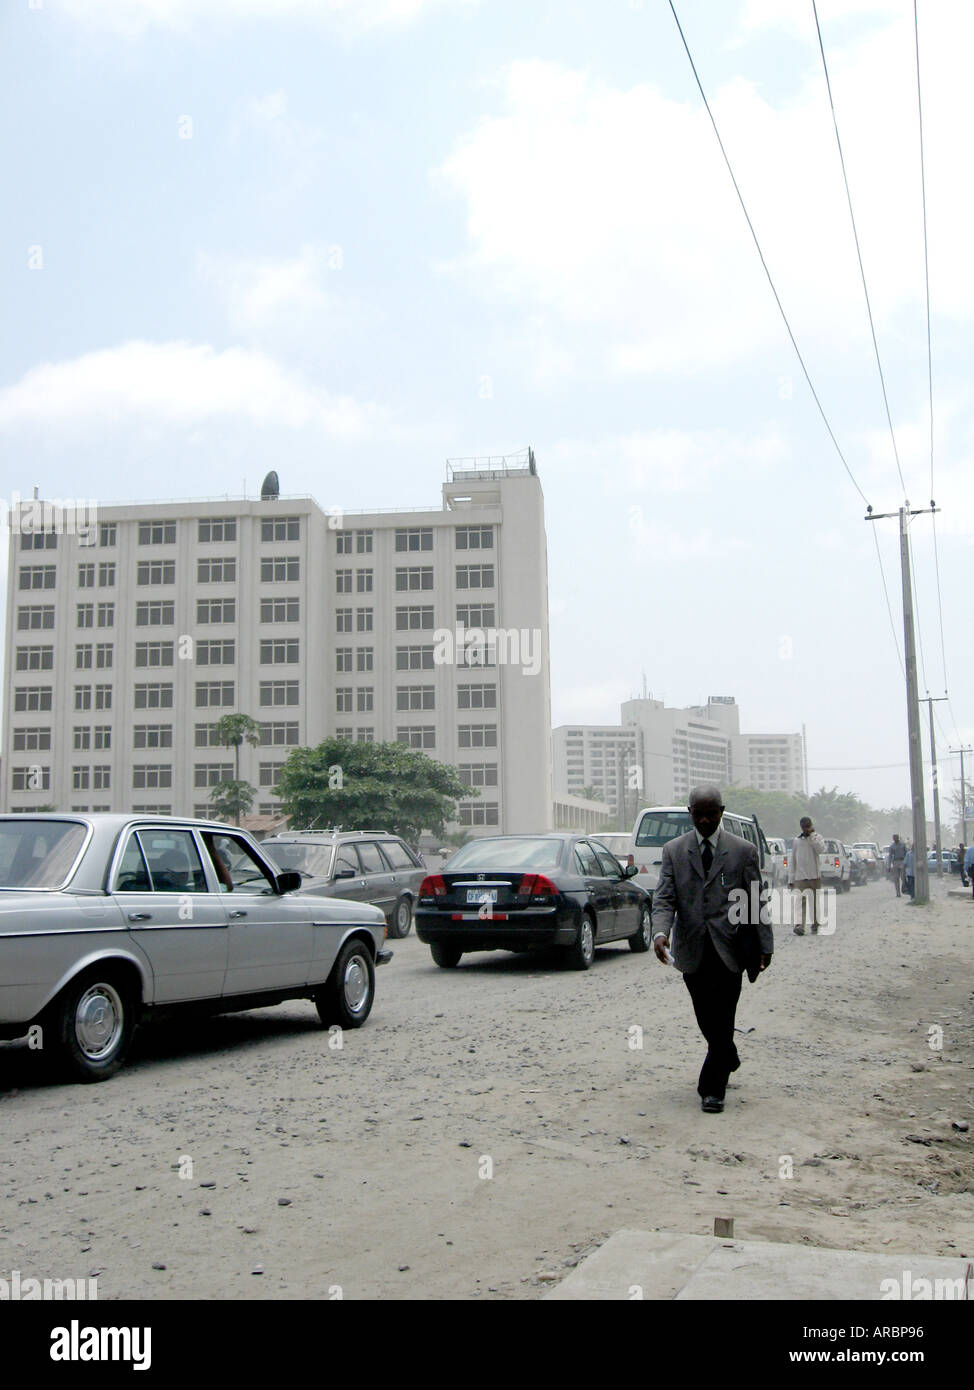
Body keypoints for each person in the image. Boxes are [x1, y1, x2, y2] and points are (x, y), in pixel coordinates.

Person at [651, 784, 773, 1115]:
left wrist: (765, 944)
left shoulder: (743, 851)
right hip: (692, 948)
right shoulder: (674, 850)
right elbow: (664, 897)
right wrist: (660, 932)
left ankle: (712, 1088)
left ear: (721, 812)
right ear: (690, 813)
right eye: (699, 814)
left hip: (730, 948)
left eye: (711, 814)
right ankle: (727, 1054)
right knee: (706, 1016)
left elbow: (755, 901)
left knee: (724, 1014)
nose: (705, 820)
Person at [788, 816, 826, 934]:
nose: (806, 829)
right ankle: (800, 926)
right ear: (801, 827)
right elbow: (793, 861)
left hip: (815, 876)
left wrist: (812, 836)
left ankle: (815, 924)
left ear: (811, 826)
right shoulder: (797, 841)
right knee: (800, 902)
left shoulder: (817, 838)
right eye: (804, 827)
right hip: (800, 877)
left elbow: (820, 849)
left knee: (814, 903)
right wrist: (791, 879)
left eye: (808, 826)